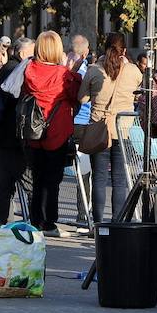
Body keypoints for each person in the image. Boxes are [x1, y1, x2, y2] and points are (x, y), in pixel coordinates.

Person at [78, 33, 143, 223]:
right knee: (119, 180)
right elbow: (139, 96)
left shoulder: (94, 70)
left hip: (99, 128)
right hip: (123, 130)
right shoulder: (133, 71)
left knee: (98, 178)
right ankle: (118, 221)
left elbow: (82, 98)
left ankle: (97, 222)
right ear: (124, 50)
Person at [23, 31, 82, 237]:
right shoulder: (63, 74)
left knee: (37, 177)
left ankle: (35, 219)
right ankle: (49, 222)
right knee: (52, 179)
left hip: (33, 128)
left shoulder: (28, 70)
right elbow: (76, 95)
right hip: (57, 129)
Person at [0, 37, 35, 226]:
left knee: (4, 184)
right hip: (14, 136)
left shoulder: (5, 70)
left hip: (1, 135)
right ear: (23, 53)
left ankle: (3, 223)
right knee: (27, 182)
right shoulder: (18, 71)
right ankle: (32, 223)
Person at [67, 34, 92, 231]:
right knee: (83, 173)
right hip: (83, 124)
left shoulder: (63, 68)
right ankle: (83, 215)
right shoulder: (87, 72)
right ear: (86, 52)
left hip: (64, 123)